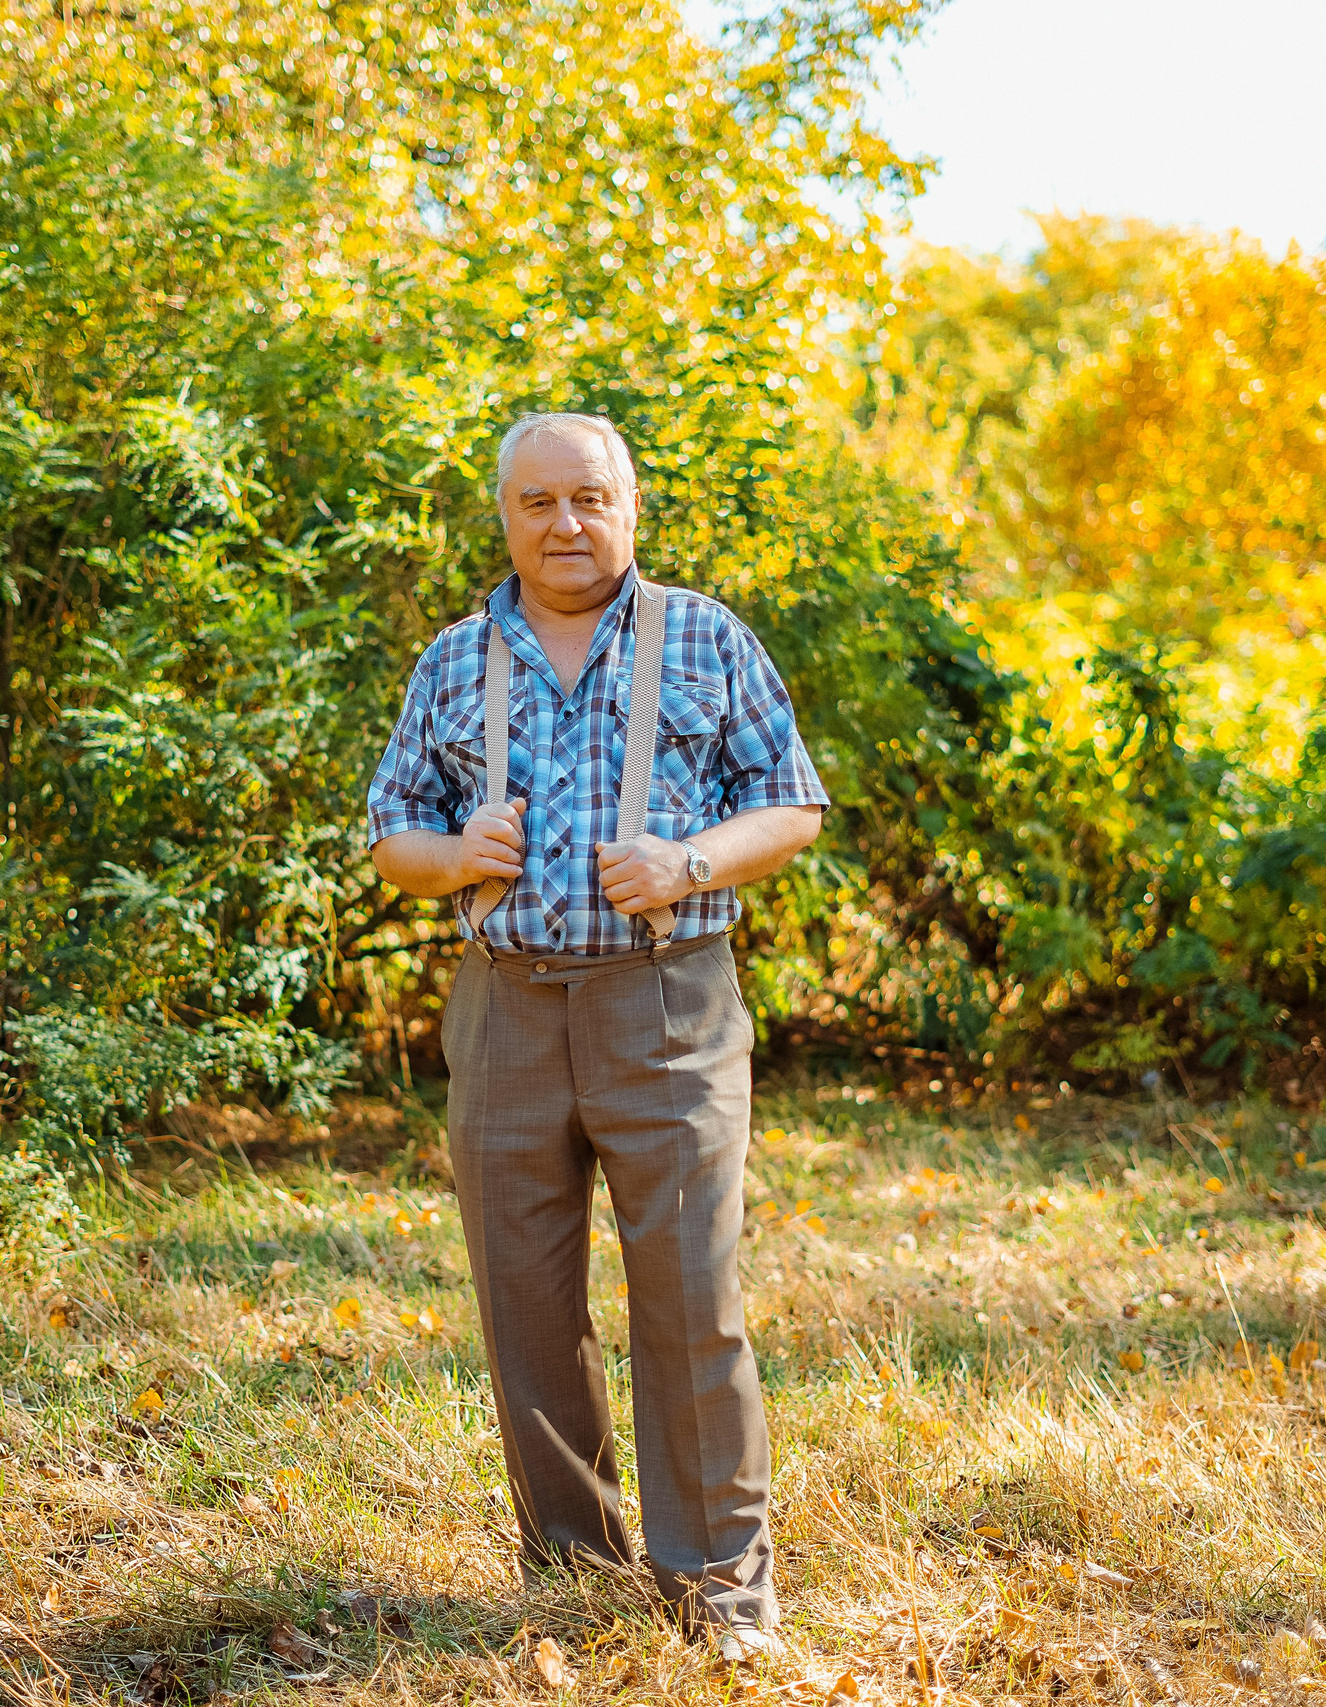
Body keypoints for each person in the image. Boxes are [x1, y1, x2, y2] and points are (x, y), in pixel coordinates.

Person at [366, 412, 827, 1660]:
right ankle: (570, 1572)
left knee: (689, 1295)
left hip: (665, 1001)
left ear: (629, 507)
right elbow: (392, 832)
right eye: (538, 504)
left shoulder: (706, 638)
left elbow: (789, 804)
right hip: (504, 1008)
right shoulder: (456, 661)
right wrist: (450, 857)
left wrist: (685, 860)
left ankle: (718, 1594)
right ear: (505, 516)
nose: (565, 525)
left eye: (589, 500)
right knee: (525, 1302)